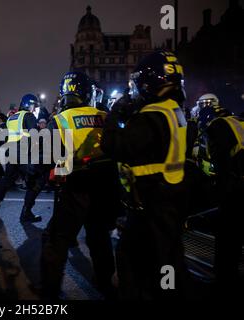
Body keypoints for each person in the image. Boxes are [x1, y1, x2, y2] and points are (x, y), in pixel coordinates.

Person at [101, 50, 189, 300]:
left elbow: (114, 146)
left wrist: (115, 113)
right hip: (171, 201)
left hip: (151, 205)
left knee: (131, 264)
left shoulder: (152, 116)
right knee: (170, 267)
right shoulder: (175, 112)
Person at [41, 72, 120, 299]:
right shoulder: (105, 116)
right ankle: (105, 281)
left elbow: (49, 157)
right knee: (99, 236)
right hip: (104, 184)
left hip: (76, 185)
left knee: (57, 239)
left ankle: (50, 289)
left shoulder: (60, 119)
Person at [197, 105, 243, 298]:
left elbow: (223, 166)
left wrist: (220, 196)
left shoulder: (217, 126)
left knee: (227, 240)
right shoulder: (237, 124)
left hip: (238, 190)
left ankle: (225, 285)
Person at [0, 94, 45, 222]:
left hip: (11, 151)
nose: (35, 109)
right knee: (36, 180)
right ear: (28, 105)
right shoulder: (28, 116)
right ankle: (26, 212)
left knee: (7, 180)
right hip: (23, 153)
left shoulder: (12, 117)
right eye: (34, 106)